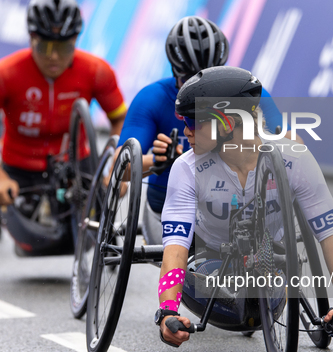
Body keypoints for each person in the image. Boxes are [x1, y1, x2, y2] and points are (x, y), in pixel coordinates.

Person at [155, 66, 333, 347]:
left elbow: (330, 234)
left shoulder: (294, 160)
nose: (185, 131)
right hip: (210, 260)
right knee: (228, 295)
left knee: (259, 296)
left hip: (270, 262)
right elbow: (175, 248)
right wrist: (167, 311)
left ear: (225, 124)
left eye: (193, 121)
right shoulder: (186, 168)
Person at [116, 16, 291, 245]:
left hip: (239, 209)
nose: (199, 90)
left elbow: (291, 143)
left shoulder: (244, 92)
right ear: (175, 72)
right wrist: (158, 161)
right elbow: (118, 171)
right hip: (170, 210)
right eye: (190, 79)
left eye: (211, 77)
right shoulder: (152, 98)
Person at [0, 0, 127, 211]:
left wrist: (117, 169)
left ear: (76, 40)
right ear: (32, 39)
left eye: (63, 47)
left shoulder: (97, 71)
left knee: (99, 220)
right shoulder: (2, 75)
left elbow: (120, 119)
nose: (54, 56)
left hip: (76, 164)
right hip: (20, 167)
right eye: (45, 46)